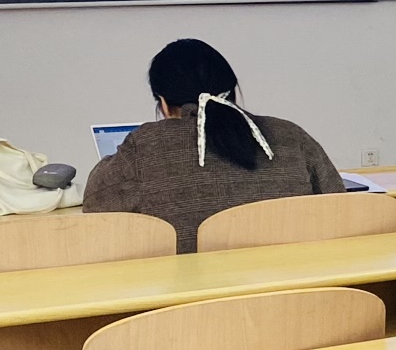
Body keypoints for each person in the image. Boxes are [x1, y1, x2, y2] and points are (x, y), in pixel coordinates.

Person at [82, 38, 344, 251]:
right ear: (232, 91)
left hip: (189, 299)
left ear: (162, 103)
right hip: (296, 294)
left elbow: (95, 206)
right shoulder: (290, 136)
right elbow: (339, 206)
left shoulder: (144, 147)